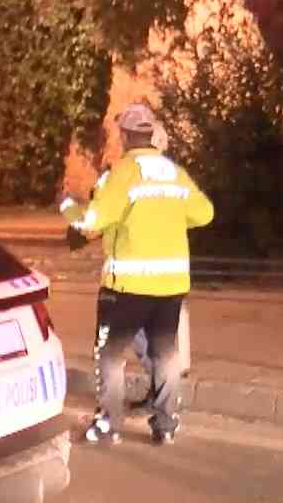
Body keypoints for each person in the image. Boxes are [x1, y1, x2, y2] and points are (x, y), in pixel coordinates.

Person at [60, 102, 214, 445]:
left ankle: (108, 426)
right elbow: (205, 214)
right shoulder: (174, 172)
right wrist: (170, 217)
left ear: (126, 136)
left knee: (111, 356)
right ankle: (166, 425)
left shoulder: (124, 173)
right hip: (171, 285)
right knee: (165, 354)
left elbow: (93, 220)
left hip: (127, 285)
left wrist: (68, 206)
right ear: (150, 134)